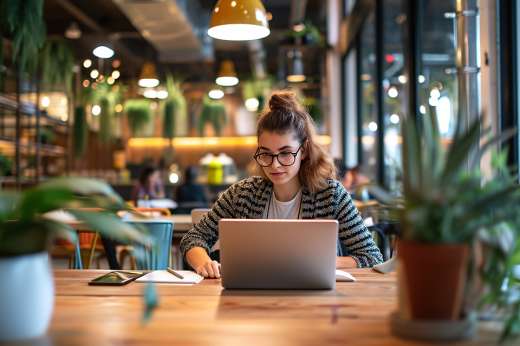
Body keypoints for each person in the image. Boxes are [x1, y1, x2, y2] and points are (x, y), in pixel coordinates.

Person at [180, 91, 383, 278]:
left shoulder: (331, 195)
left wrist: (322, 263)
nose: (275, 164)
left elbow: (372, 257)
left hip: (315, 300)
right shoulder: (242, 194)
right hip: (250, 299)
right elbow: (193, 238)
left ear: (303, 151)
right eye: (266, 153)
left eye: (285, 153)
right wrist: (204, 263)